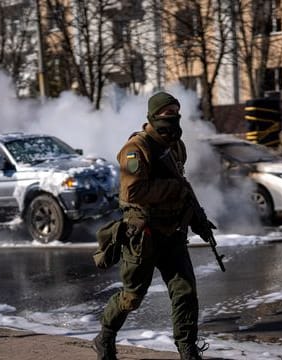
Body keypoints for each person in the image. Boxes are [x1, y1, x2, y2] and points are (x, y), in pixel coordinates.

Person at [93, 92, 210, 360]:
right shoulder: (137, 149)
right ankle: (105, 336)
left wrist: (197, 220)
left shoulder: (177, 146)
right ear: (153, 116)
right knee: (132, 297)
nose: (173, 118)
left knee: (185, 292)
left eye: (176, 112)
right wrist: (174, 188)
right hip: (143, 235)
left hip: (172, 233)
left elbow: (183, 188)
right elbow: (132, 192)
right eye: (168, 113)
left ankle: (187, 348)